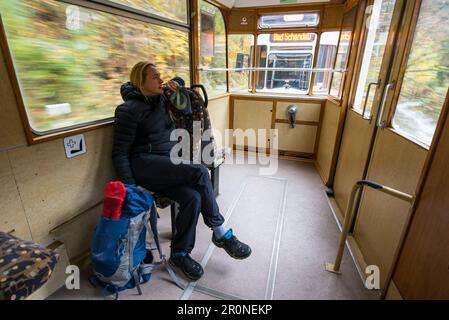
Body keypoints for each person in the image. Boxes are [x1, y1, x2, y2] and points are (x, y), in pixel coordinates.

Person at [112, 62, 251, 281]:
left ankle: (179, 253)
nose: (160, 80)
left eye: (160, 76)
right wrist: (132, 186)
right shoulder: (128, 110)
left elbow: (181, 82)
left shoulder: (162, 98)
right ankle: (220, 232)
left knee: (193, 198)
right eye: (154, 77)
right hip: (145, 164)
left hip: (166, 164)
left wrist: (175, 83)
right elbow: (119, 153)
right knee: (200, 172)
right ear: (141, 81)